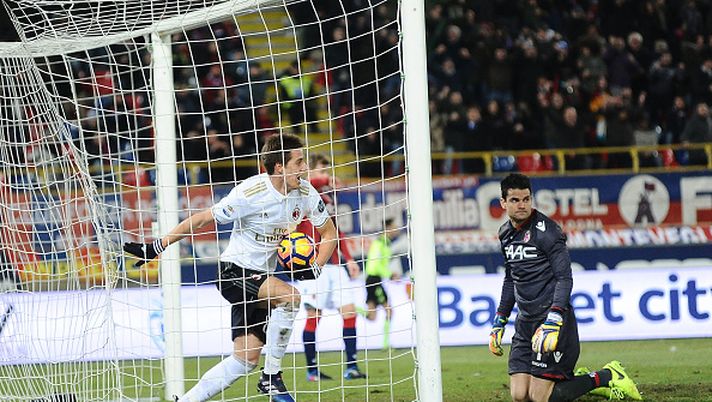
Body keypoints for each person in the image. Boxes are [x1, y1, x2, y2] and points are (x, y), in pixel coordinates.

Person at [123, 133, 337, 402]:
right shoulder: (251, 192)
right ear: (280, 166)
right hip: (234, 273)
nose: (304, 168)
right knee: (291, 298)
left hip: (260, 278)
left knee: (244, 359)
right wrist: (157, 246)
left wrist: (316, 266)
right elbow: (202, 218)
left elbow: (329, 234)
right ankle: (272, 378)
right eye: (299, 162)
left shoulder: (305, 193)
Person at [489, 173, 642, 402]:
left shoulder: (548, 232)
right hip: (525, 323)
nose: (522, 205)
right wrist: (500, 320)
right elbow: (511, 278)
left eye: (526, 199)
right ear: (503, 202)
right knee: (520, 395)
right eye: (514, 200)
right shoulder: (505, 234)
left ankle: (607, 375)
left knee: (540, 398)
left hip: (552, 321)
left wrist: (554, 319)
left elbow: (564, 278)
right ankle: (572, 381)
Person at [297, 153, 367, 382]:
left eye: (327, 171)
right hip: (313, 265)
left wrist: (349, 258)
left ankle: (352, 366)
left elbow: (336, 231)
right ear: (309, 173)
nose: (326, 175)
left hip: (335, 265)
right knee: (313, 316)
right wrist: (324, 180)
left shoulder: (327, 199)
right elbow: (311, 183)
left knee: (350, 312)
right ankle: (312, 371)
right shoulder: (303, 192)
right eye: (322, 170)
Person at [363, 217, 400, 349]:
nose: (397, 229)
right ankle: (385, 344)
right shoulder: (380, 243)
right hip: (374, 280)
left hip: (374, 279)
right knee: (389, 311)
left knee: (372, 316)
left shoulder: (385, 243)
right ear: (388, 228)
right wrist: (390, 274)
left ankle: (352, 310)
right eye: (395, 227)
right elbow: (375, 265)